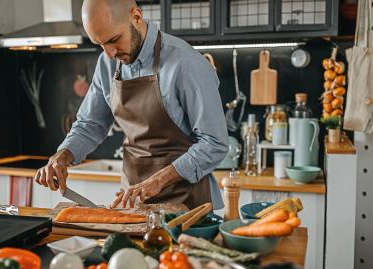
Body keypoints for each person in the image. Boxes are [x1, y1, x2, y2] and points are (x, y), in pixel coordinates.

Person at [34, 0, 228, 210]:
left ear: (136, 16)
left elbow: (214, 143)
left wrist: (158, 180)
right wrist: (62, 156)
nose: (109, 53)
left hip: (189, 207)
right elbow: (90, 124)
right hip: (132, 204)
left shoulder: (185, 63)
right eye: (100, 44)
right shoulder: (107, 63)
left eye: (114, 39)